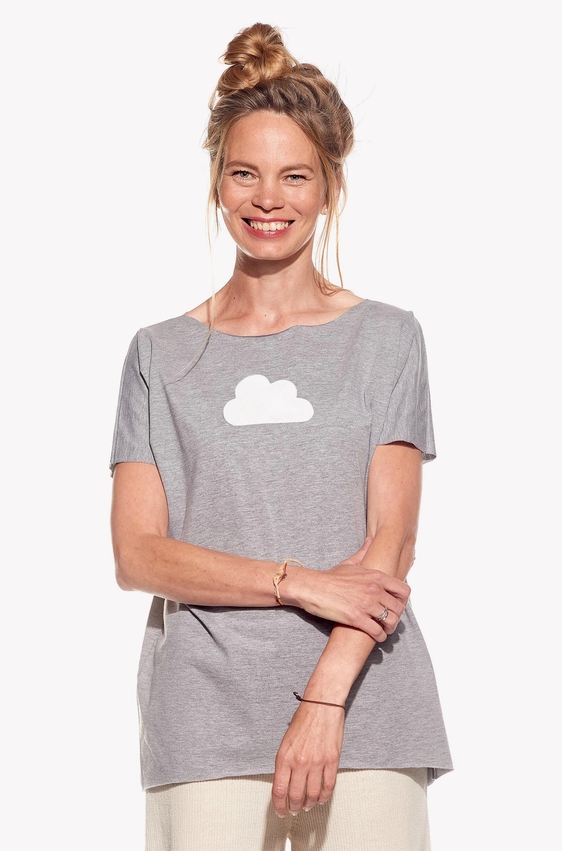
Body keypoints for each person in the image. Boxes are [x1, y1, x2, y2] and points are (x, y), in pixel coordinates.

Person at [110, 22, 452, 851]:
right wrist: (299, 581)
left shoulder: (387, 338)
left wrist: (323, 700)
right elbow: (139, 555)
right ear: (218, 183)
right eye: (245, 173)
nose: (269, 199)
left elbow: (391, 542)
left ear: (329, 186)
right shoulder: (159, 353)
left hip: (366, 707)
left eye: (295, 175)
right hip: (205, 722)